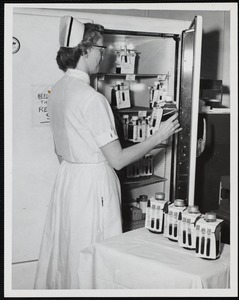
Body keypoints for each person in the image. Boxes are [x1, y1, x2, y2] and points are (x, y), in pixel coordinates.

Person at [34, 16, 181, 289]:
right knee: (94, 255)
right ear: (85, 50)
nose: (104, 55)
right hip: (92, 186)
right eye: (101, 49)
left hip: (69, 180)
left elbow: (58, 150)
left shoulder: (57, 90)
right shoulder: (92, 98)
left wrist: (81, 164)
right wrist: (159, 136)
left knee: (69, 251)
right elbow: (117, 160)